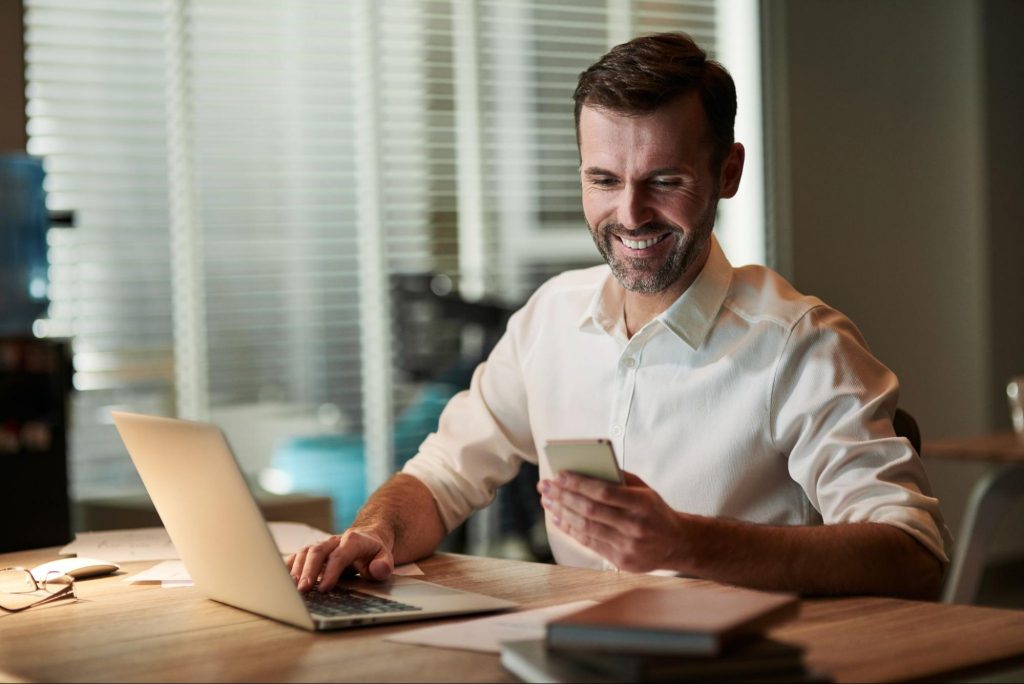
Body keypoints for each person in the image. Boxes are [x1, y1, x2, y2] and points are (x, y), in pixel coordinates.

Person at [288, 32, 949, 599]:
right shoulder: (551, 319)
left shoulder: (798, 346)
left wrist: (687, 543)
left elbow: (915, 554)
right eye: (604, 180)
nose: (630, 216)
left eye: (665, 180)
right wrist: (374, 533)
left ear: (727, 171)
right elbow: (440, 478)